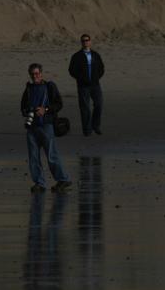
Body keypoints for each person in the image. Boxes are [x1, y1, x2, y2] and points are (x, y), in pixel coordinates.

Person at [21, 63, 71, 193]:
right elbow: (22, 108)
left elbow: (59, 104)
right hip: (32, 128)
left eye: (37, 73)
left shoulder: (49, 87)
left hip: (47, 125)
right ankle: (39, 183)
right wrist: (29, 111)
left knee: (51, 155)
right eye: (32, 74)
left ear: (41, 73)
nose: (35, 76)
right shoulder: (28, 89)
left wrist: (45, 109)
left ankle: (63, 179)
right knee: (33, 157)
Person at [69, 34, 105, 137]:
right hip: (83, 86)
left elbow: (101, 68)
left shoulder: (95, 55)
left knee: (99, 104)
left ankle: (96, 126)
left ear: (90, 41)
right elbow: (71, 70)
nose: (85, 42)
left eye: (87, 40)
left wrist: (97, 77)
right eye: (83, 41)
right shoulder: (76, 56)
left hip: (95, 85)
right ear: (81, 43)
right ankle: (87, 129)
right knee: (85, 108)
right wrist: (80, 79)